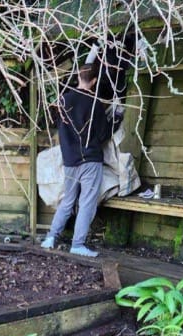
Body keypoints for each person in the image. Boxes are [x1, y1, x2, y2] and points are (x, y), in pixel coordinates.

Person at [40, 62, 123, 259]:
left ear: (78, 77)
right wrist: (117, 119)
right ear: (93, 81)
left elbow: (56, 123)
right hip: (90, 160)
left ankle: (51, 237)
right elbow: (102, 135)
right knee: (87, 202)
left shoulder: (62, 101)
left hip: (70, 160)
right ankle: (77, 244)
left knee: (67, 200)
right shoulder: (94, 104)